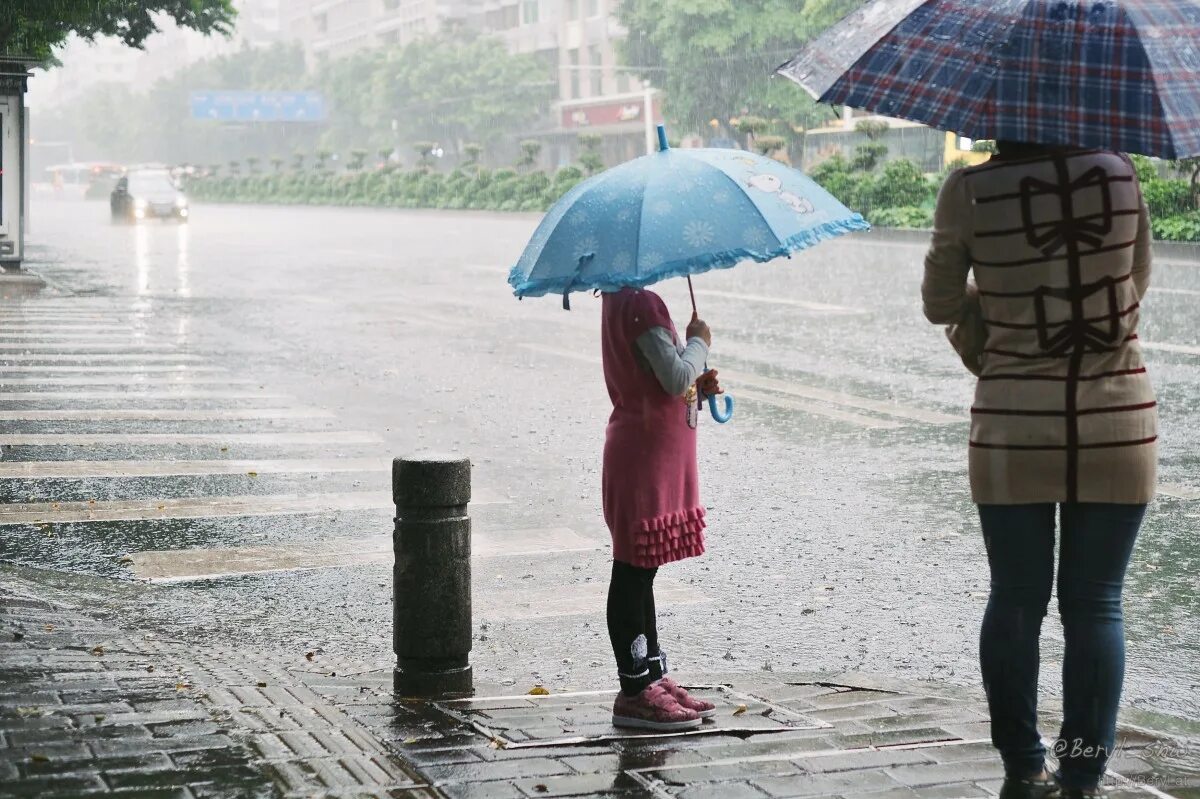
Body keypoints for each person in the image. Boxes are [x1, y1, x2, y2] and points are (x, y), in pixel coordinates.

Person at [923, 142, 1157, 799]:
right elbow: (1131, 286)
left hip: (1013, 428)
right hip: (1119, 421)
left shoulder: (969, 190)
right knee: (1096, 602)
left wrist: (1002, 290)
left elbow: (941, 304)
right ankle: (1081, 772)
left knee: (1017, 596)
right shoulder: (1119, 173)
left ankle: (1025, 765)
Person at [601, 286, 721, 731]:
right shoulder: (640, 304)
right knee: (632, 572)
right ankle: (635, 689)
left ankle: (651, 674)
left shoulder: (622, 300)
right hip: (643, 459)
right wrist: (699, 342)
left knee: (642, 569)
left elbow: (661, 380)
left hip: (651, 453)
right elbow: (673, 377)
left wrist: (696, 383)